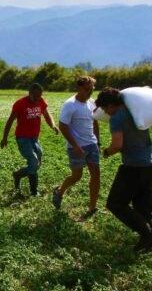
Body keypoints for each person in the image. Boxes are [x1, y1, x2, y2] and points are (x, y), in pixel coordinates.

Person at [98, 87, 152, 252]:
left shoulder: (117, 118)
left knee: (115, 203)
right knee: (145, 207)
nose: (106, 112)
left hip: (133, 167)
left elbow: (117, 145)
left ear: (112, 104)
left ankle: (147, 234)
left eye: (105, 108)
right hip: (150, 163)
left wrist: (106, 151)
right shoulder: (135, 110)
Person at [52, 76, 101, 219]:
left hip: (91, 145)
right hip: (76, 147)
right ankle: (60, 191)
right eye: (87, 90)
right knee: (76, 176)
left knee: (96, 175)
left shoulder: (91, 103)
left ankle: (92, 207)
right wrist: (75, 146)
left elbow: (95, 122)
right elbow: (63, 126)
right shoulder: (70, 104)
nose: (90, 93)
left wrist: (97, 141)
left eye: (92, 90)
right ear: (79, 88)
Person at [0, 83, 59, 196]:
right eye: (35, 97)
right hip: (23, 138)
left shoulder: (41, 101)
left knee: (37, 163)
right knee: (33, 162)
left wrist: (53, 125)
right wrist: (4, 138)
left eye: (40, 96)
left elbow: (46, 115)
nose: (38, 99)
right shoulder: (20, 104)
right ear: (30, 93)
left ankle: (18, 174)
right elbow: (10, 121)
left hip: (34, 138)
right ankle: (34, 191)